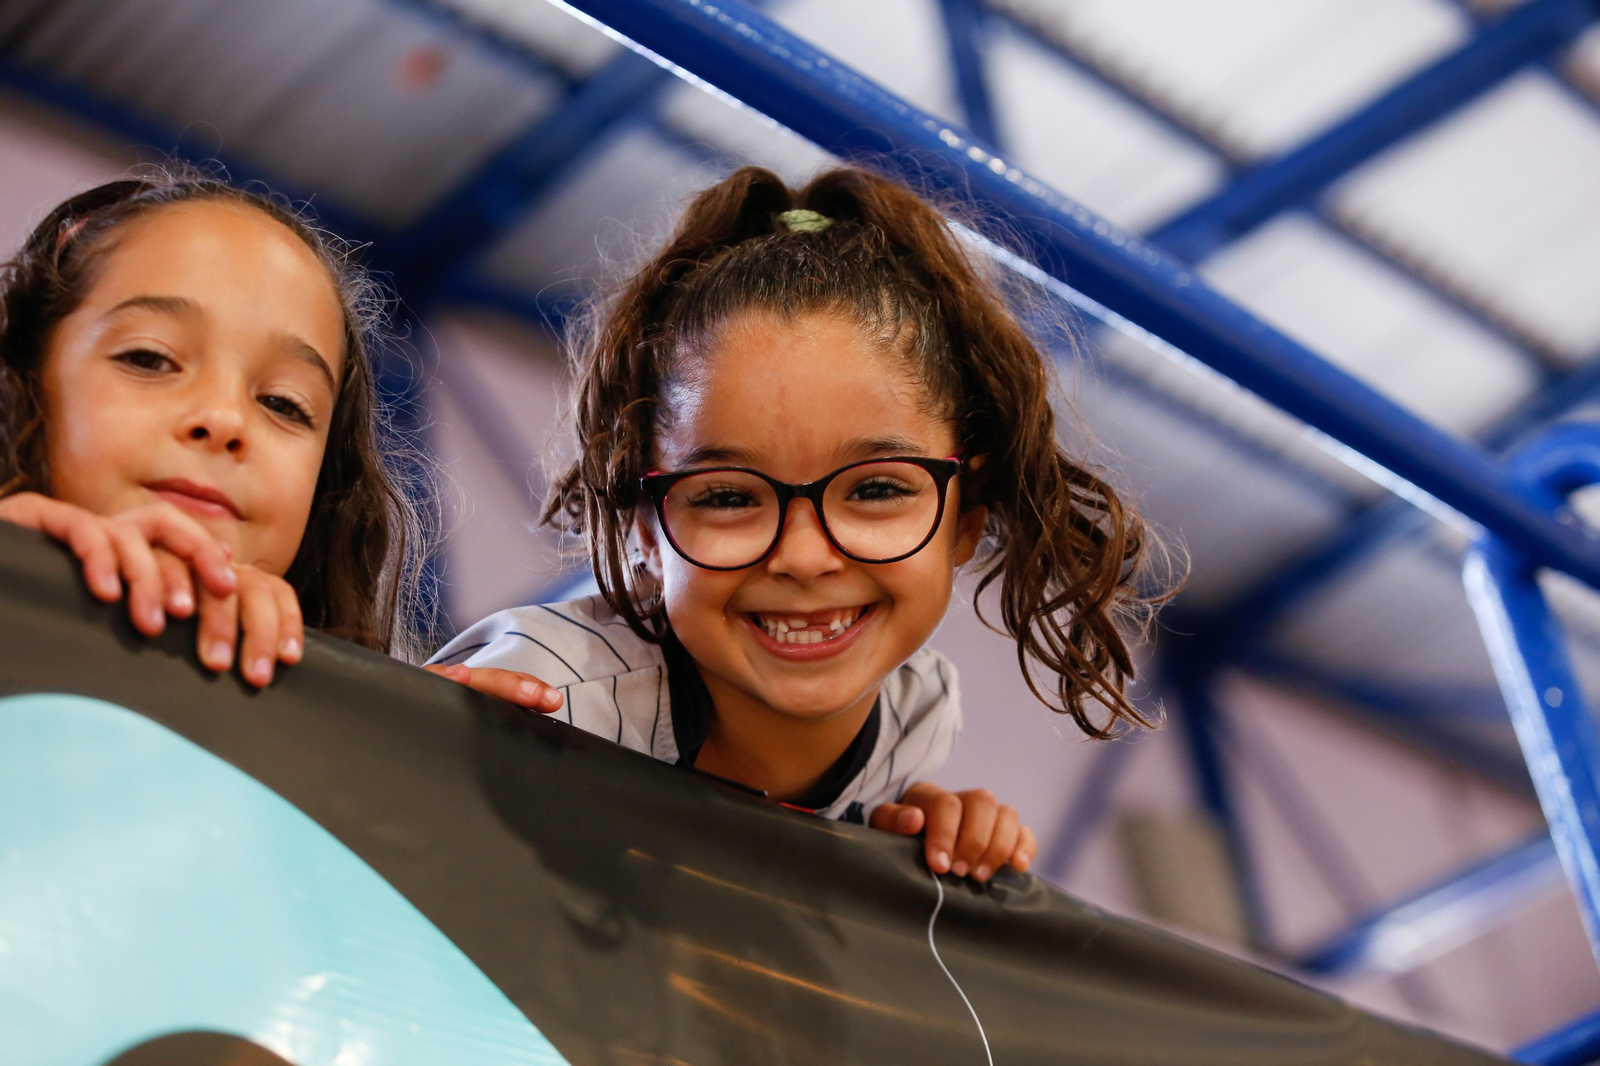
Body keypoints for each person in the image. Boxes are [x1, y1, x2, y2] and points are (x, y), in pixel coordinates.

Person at [432, 166, 1164, 883]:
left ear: (964, 520)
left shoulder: (916, 716)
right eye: (726, 497)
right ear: (647, 532)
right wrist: (419, 751)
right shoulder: (548, 696)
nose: (805, 556)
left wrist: (907, 836)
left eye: (876, 488)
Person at [0, 168, 563, 712]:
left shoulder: (348, 735)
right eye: (149, 357)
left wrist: (391, 747)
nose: (225, 420)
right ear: (25, 373)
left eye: (282, 404)